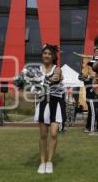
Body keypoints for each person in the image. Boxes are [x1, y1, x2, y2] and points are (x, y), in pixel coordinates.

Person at [34, 44, 65, 174]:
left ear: (53, 57)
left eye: (49, 54)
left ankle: (49, 162)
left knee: (53, 134)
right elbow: (33, 87)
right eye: (45, 53)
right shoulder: (37, 71)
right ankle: (42, 162)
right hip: (42, 102)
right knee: (43, 135)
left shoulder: (57, 69)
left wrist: (52, 80)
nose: (47, 55)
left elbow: (57, 76)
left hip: (55, 102)